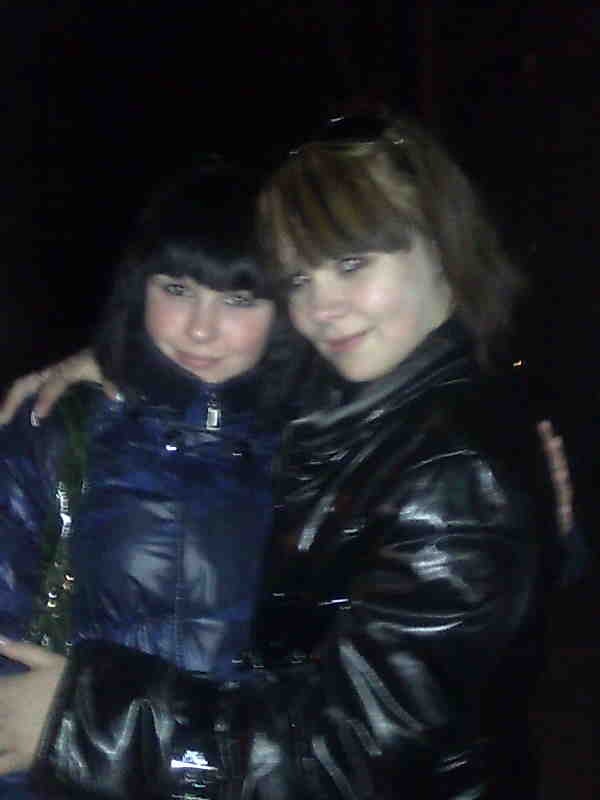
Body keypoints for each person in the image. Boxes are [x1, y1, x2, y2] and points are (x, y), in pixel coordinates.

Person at [0, 114, 581, 799]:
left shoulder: (440, 463)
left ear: (445, 250)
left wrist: (75, 720)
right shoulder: (346, 420)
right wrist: (113, 361)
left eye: (352, 264)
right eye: (299, 279)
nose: (321, 307)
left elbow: (346, 751)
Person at [0, 160, 301, 798]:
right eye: (177, 288)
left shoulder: (320, 450)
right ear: (140, 287)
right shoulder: (60, 430)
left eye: (239, 300)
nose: (200, 328)